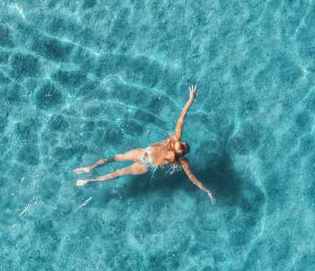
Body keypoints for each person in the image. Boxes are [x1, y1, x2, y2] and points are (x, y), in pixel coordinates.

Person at [74, 85, 215, 203]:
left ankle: (91, 180)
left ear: (182, 153)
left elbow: (193, 178)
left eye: (183, 147)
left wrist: (207, 190)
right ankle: (89, 168)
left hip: (145, 165)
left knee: (118, 172)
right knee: (115, 159)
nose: (182, 144)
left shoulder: (182, 161)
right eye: (183, 144)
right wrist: (190, 99)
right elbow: (181, 118)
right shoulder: (175, 139)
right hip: (143, 153)